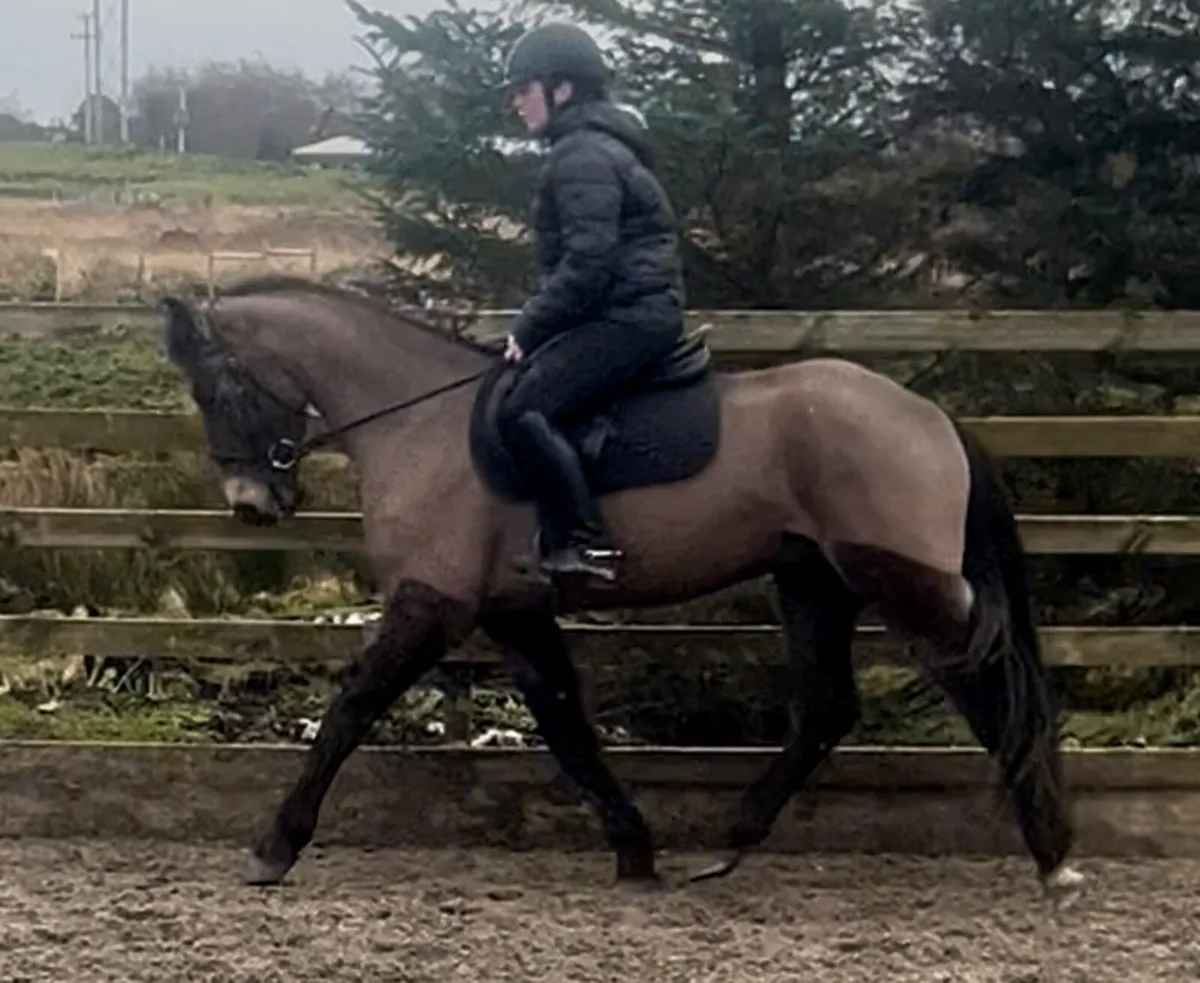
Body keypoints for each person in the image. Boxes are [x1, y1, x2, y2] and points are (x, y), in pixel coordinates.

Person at [496, 21, 691, 584]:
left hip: (628, 316)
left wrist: (529, 327)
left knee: (523, 410)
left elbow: (588, 265)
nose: (515, 102)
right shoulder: (592, 146)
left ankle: (582, 543)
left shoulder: (582, 156)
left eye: (523, 88)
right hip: (627, 309)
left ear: (562, 90)